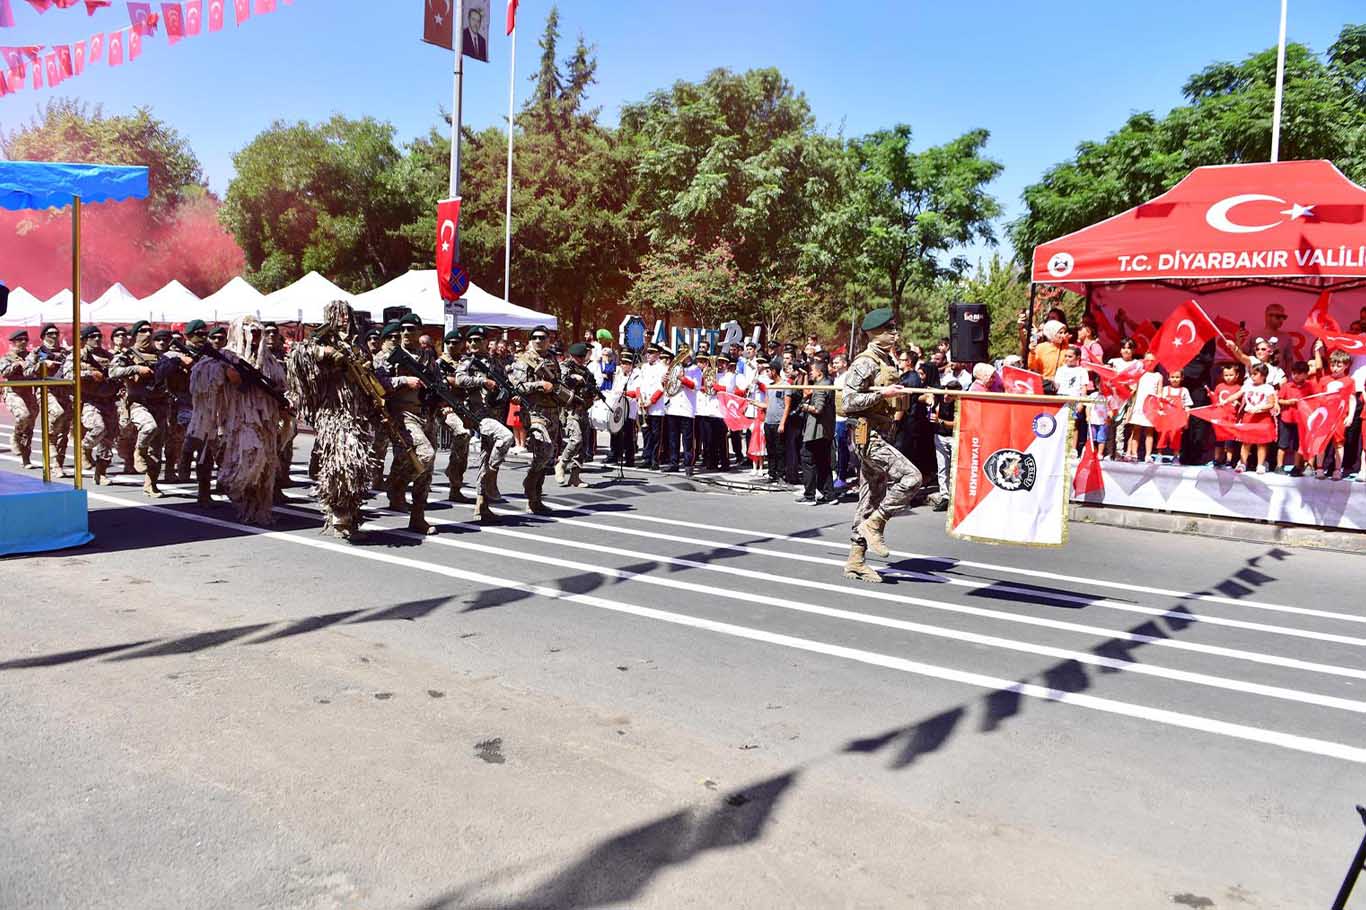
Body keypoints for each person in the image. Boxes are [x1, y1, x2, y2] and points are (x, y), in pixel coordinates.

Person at [287, 300, 383, 540]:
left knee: (359, 469)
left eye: (346, 314)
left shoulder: (358, 344)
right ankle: (339, 515)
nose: (343, 318)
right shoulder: (320, 340)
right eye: (337, 314)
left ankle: (349, 516)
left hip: (357, 414)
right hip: (334, 413)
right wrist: (325, 353)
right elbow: (299, 355)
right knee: (343, 464)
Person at [841, 307, 921, 584]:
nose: (895, 334)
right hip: (868, 436)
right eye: (890, 330)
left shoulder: (886, 360)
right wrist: (882, 394)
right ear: (875, 334)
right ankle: (876, 523)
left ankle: (856, 560)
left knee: (870, 498)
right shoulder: (866, 362)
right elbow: (848, 401)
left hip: (882, 432)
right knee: (912, 478)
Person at [187, 316, 288, 524]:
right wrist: (224, 372)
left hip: (266, 422)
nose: (256, 337)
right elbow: (199, 377)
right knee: (250, 459)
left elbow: (280, 385)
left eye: (258, 333)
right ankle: (229, 485)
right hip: (239, 421)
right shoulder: (225, 357)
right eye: (251, 332)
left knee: (265, 470)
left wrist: (284, 401)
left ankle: (257, 511)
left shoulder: (268, 360)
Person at [452, 325, 516, 520]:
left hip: (494, 412)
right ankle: (492, 474)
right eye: (470, 340)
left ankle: (482, 505)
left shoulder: (495, 362)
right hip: (478, 414)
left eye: (477, 340)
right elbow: (459, 379)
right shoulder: (468, 361)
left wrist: (511, 395)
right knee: (506, 437)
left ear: (486, 342)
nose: (473, 344)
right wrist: (482, 382)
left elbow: (506, 383)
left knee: (485, 457)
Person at [108, 321, 174, 497]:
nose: (147, 333)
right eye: (142, 331)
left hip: (159, 403)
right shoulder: (128, 354)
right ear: (135, 334)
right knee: (148, 427)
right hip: (138, 402)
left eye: (149, 331)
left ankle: (151, 484)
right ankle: (139, 451)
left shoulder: (160, 356)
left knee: (157, 448)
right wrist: (137, 369)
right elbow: (113, 372)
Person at [508, 325, 566, 514]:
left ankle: (535, 498)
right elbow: (517, 387)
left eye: (543, 337)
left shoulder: (551, 359)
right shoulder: (523, 360)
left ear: (549, 340)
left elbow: (558, 383)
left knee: (547, 457)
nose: (539, 340)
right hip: (534, 412)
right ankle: (530, 486)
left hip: (552, 412)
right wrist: (540, 384)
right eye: (535, 337)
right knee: (544, 449)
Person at [66, 326, 119, 485]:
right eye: (92, 336)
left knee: (108, 440)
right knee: (98, 428)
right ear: (84, 339)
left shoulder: (109, 356)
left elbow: (118, 373)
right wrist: (89, 375)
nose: (97, 339)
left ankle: (101, 473)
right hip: (89, 401)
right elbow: (68, 375)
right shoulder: (77, 356)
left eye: (99, 336)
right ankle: (84, 447)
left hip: (109, 401)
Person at [24, 323, 72, 476]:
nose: (54, 336)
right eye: (50, 333)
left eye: (56, 333)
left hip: (64, 391)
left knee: (64, 429)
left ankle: (58, 463)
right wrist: (42, 365)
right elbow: (27, 372)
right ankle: (52, 452)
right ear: (43, 336)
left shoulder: (65, 352)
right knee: (58, 414)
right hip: (46, 391)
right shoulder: (37, 353)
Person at [435, 329, 476, 503]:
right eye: (449, 342)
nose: (453, 345)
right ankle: (453, 474)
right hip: (446, 407)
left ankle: (455, 487)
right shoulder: (438, 363)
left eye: (456, 342)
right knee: (462, 434)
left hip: (464, 407)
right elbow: (437, 384)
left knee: (463, 448)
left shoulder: (467, 362)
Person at [796, 356, 837, 504]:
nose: (810, 373)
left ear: (819, 372)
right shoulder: (827, 383)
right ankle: (829, 494)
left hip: (816, 431)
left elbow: (818, 409)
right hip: (825, 430)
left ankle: (809, 495)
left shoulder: (821, 386)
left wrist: (804, 406)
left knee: (808, 460)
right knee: (823, 462)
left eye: (811, 371)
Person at [556, 341, 595, 487]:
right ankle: (562, 464)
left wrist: (593, 394)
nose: (580, 359)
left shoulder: (586, 372)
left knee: (582, 445)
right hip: (569, 410)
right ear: (572, 356)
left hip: (582, 410)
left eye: (582, 356)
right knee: (576, 439)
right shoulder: (564, 367)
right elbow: (561, 382)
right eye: (578, 356)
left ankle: (575, 476)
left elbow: (592, 389)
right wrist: (574, 378)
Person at [1, 330, 37, 468]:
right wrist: (16, 365)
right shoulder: (8, 357)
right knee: (23, 416)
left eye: (25, 340)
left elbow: (35, 370)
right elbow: (4, 372)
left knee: (30, 425)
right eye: (20, 339)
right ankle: (16, 437)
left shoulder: (30, 356)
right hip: (13, 392)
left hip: (28, 392)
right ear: (14, 341)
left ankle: (26, 457)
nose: (23, 342)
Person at [1236, 362, 1278, 474]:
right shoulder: (1247, 385)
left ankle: (1260, 465)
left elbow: (1271, 404)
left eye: (1255, 374)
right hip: (1249, 417)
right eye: (1251, 374)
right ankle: (1242, 463)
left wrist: (1258, 408)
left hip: (1263, 418)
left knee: (1262, 443)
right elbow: (1237, 395)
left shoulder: (1268, 388)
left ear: (1263, 375)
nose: (1252, 376)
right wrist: (1225, 400)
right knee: (1246, 442)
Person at [1275, 360, 1314, 476]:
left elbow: (1314, 400)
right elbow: (1279, 400)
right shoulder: (1287, 386)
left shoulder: (1310, 386)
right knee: (1283, 444)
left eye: (1299, 373)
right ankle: (1279, 466)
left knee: (1298, 445)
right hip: (1286, 419)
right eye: (1294, 373)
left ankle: (1297, 466)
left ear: (1306, 374)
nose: (1296, 376)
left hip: (1301, 421)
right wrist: (1289, 402)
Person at [1206, 363, 1245, 469]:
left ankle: (1229, 461)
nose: (1228, 377)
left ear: (1237, 375)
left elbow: (1242, 404)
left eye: (1231, 375)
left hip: (1231, 419)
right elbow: (1215, 401)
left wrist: (1237, 403)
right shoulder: (1219, 386)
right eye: (1226, 375)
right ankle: (1217, 460)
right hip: (1219, 419)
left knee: (1230, 442)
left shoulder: (1239, 388)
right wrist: (1211, 396)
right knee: (1219, 441)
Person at [606, 351, 640, 467]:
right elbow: (614, 390)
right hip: (618, 408)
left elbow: (637, 392)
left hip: (629, 408)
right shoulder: (619, 376)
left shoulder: (636, 376)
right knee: (615, 432)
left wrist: (624, 393)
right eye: (622, 363)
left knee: (628, 434)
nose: (623, 366)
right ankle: (615, 454)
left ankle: (630, 458)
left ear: (631, 365)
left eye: (626, 363)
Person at [639, 344, 667, 469]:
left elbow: (662, 387)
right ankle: (646, 457)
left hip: (655, 406)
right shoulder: (644, 367)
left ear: (657, 354)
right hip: (643, 404)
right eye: (647, 353)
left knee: (656, 435)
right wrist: (640, 398)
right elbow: (639, 384)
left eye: (651, 353)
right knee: (646, 433)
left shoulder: (663, 368)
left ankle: (655, 459)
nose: (648, 355)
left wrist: (651, 401)